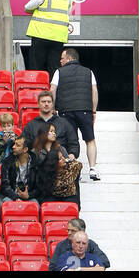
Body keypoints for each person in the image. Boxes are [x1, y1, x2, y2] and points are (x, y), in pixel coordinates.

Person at [50, 47, 99, 180]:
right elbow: (94, 92)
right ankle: (93, 169)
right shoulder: (89, 72)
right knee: (90, 140)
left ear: (70, 58)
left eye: (62, 58)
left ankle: (72, 170)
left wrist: (53, 107)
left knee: (70, 140)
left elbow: (53, 89)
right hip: (85, 110)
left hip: (65, 111)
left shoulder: (58, 72)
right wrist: (93, 111)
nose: (60, 61)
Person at [23, 0, 72, 76]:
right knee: (54, 68)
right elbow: (66, 13)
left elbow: (27, 7)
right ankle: (52, 92)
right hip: (58, 37)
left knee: (36, 67)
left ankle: (36, 91)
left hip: (41, 35)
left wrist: (35, 11)